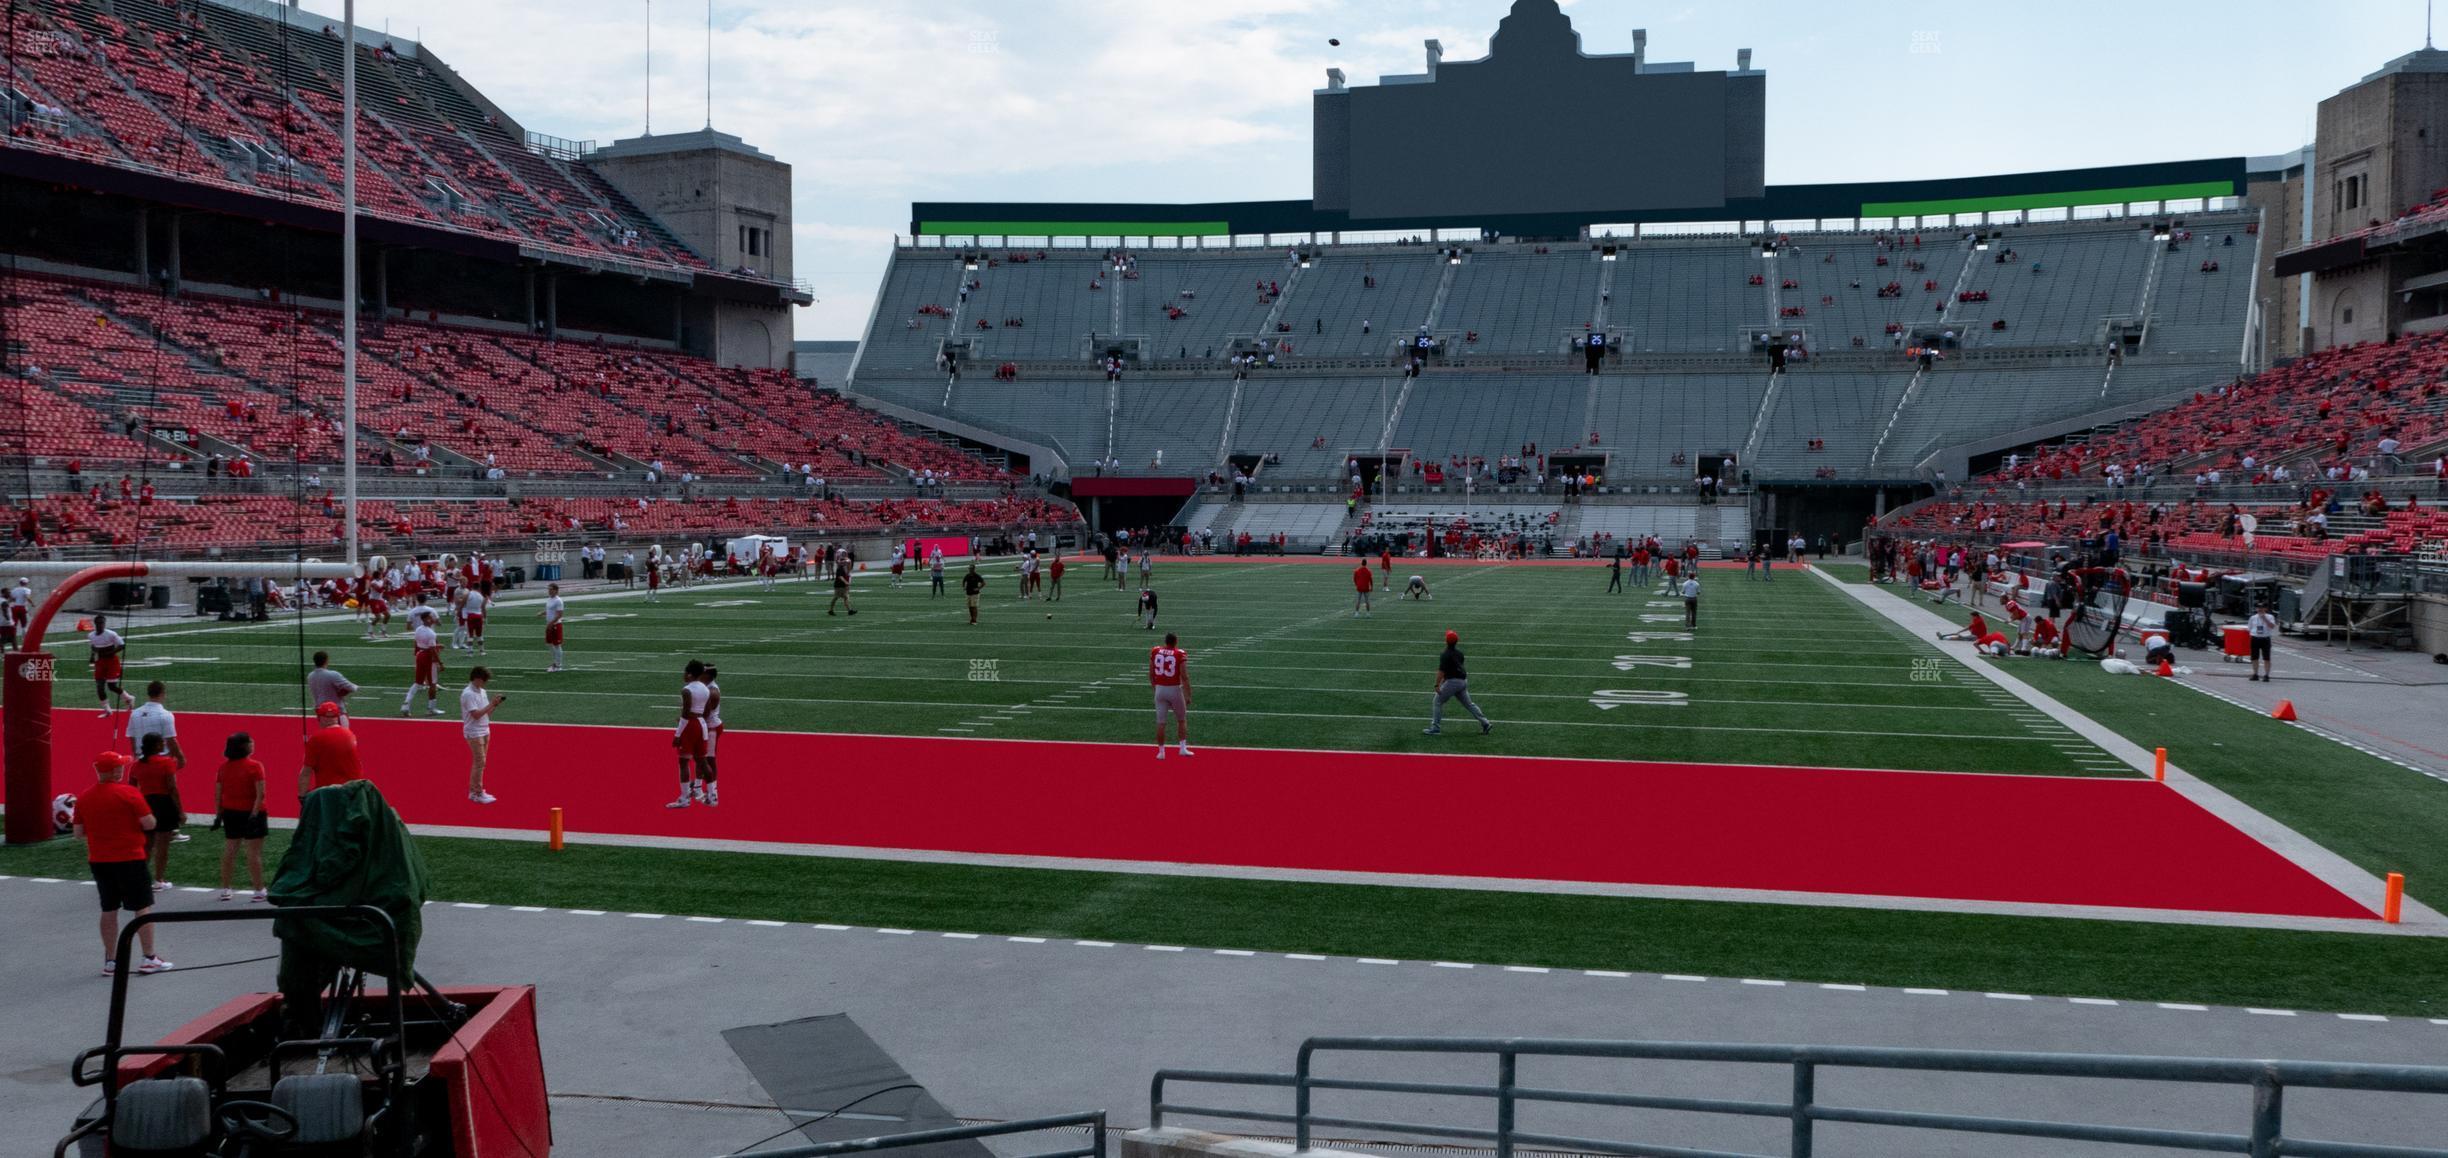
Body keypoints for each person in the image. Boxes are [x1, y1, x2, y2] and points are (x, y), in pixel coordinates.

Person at [77, 751, 170, 975]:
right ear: (115, 771)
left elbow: (78, 832)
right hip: (130, 858)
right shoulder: (129, 793)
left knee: (109, 908)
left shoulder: (84, 797)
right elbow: (149, 823)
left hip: (99, 860)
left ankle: (111, 960)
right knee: (141, 907)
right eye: (120, 766)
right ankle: (148, 957)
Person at [214, 732, 267, 902]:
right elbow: (261, 793)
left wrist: (218, 814)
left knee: (230, 850)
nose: (253, 743)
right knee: (253, 853)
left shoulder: (223, 768)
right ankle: (258, 890)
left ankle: (226, 889)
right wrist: (254, 813)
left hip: (230, 812)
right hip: (252, 812)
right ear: (245, 746)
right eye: (250, 742)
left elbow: (218, 793)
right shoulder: (255, 766)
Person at [130, 732, 182, 890]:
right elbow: (172, 788)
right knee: (163, 845)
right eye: (161, 742)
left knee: (146, 845)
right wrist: (181, 810)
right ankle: (159, 879)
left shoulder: (136, 765)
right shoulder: (167, 762)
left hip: (146, 803)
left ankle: (140, 879)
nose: (163, 744)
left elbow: (132, 788)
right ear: (157, 745)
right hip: (164, 803)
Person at [1424, 629, 1491, 736]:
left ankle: (1435, 728)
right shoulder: (1459, 653)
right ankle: (1485, 723)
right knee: (1469, 704)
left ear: (1446, 641)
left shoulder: (1445, 654)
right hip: (1463, 681)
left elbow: (1441, 671)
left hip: (1453, 682)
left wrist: (1437, 684)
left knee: (1437, 701)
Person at [669, 660, 714, 808]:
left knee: (683, 762)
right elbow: (707, 711)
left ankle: (684, 798)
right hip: (702, 724)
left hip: (690, 726)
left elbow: (686, 714)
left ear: (689, 673)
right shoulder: (706, 689)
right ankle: (712, 795)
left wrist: (677, 734)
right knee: (702, 761)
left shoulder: (687, 690)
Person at [300, 701, 362, 799]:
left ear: (319, 718)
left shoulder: (316, 739)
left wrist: (302, 797)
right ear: (337, 718)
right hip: (353, 791)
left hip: (329, 794)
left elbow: (306, 773)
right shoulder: (350, 735)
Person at [461, 667, 503, 804]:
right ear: (477, 678)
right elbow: (476, 715)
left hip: (484, 730)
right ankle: (476, 793)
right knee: (480, 762)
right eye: (484, 680)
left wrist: (494, 705)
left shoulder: (482, 691)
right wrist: (491, 704)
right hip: (474, 732)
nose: (485, 683)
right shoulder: (468, 694)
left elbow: (486, 713)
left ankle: (476, 790)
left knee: (480, 763)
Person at [126, 680, 185, 775]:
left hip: (141, 759)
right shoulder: (166, 715)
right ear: (162, 694)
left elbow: (132, 738)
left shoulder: (135, 713)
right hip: (161, 761)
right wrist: (181, 758)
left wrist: (136, 756)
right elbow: (171, 741)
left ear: (149, 693)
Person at [1150, 631, 1193, 760]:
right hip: (1174, 689)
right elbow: (1184, 676)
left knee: (1161, 723)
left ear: (1165, 641)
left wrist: (1156, 688)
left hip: (1160, 689)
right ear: (1176, 642)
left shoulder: (1156, 651)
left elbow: (1151, 673)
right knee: (1181, 719)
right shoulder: (1179, 653)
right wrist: (1188, 694)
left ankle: (1161, 752)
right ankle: (1182, 748)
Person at [89, 612, 134, 721]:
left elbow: (122, 645)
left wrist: (111, 652)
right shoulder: (91, 635)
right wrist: (92, 656)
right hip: (100, 662)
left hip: (112, 662)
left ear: (105, 624)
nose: (101, 625)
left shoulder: (111, 634)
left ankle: (129, 698)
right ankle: (107, 710)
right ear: (95, 624)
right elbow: (93, 646)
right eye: (99, 623)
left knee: (112, 686)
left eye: (103, 623)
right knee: (99, 687)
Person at [307, 651, 358, 721]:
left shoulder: (310, 676)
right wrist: (344, 692)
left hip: (320, 711)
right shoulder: (333, 675)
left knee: (326, 731)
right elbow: (352, 688)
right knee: (341, 731)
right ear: (326, 660)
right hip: (336, 711)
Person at [2246, 602, 2279, 682]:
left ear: (2265, 609)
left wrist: (2264, 618)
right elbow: (2249, 628)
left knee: (2266, 658)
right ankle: (2255, 674)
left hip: (2265, 638)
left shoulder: (2270, 617)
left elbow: (2272, 626)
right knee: (2254, 657)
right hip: (2255, 638)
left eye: (2262, 607)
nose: (2260, 609)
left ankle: (2266, 675)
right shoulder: (2253, 617)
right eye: (2258, 608)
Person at [540, 583, 567, 673]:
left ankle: (558, 665)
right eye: (549, 589)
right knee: (549, 644)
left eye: (551, 589)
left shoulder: (558, 600)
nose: (549, 591)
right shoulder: (549, 599)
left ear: (556, 590)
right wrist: (543, 613)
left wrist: (551, 623)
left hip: (555, 625)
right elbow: (550, 610)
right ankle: (555, 662)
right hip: (549, 624)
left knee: (557, 645)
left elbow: (559, 614)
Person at [463, 580, 491, 656]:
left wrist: (459, 611)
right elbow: (483, 608)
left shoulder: (468, 594)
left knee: (470, 634)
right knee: (479, 634)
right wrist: (485, 617)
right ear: (479, 588)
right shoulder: (481, 596)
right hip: (479, 616)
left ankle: (470, 652)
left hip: (470, 616)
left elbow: (463, 603)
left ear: (472, 587)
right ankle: (482, 651)